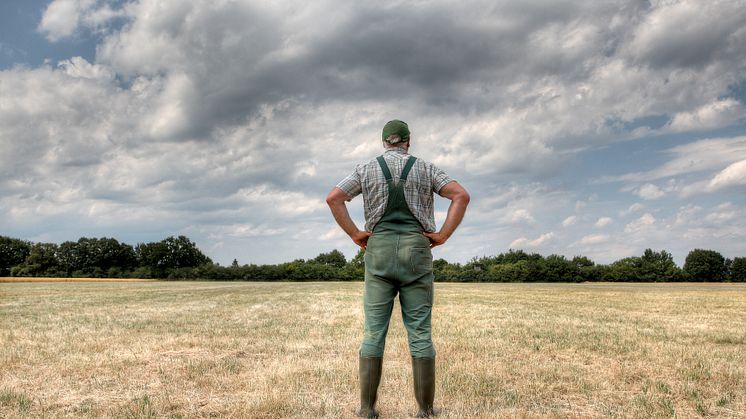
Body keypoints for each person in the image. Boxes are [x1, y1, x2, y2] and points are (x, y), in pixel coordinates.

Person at [326, 120, 470, 418]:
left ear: (384, 142)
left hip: (378, 251)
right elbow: (461, 195)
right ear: (408, 141)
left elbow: (334, 198)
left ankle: (367, 410)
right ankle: (426, 411)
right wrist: (442, 235)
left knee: (373, 332)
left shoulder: (365, 169)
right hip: (417, 252)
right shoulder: (427, 168)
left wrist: (355, 234)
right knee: (420, 331)